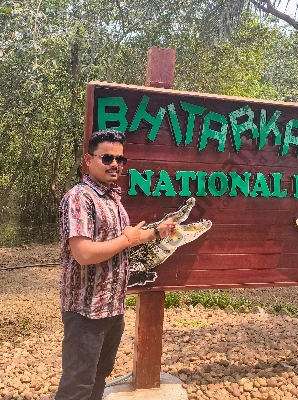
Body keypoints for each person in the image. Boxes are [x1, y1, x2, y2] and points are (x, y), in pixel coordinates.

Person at [56, 129, 176, 400]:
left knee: (99, 376)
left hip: (112, 308)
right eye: (107, 158)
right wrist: (127, 239)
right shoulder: (80, 198)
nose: (115, 164)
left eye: (120, 159)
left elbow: (125, 241)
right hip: (86, 312)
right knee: (78, 385)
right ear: (89, 159)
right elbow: (84, 253)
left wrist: (156, 233)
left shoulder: (111, 198)